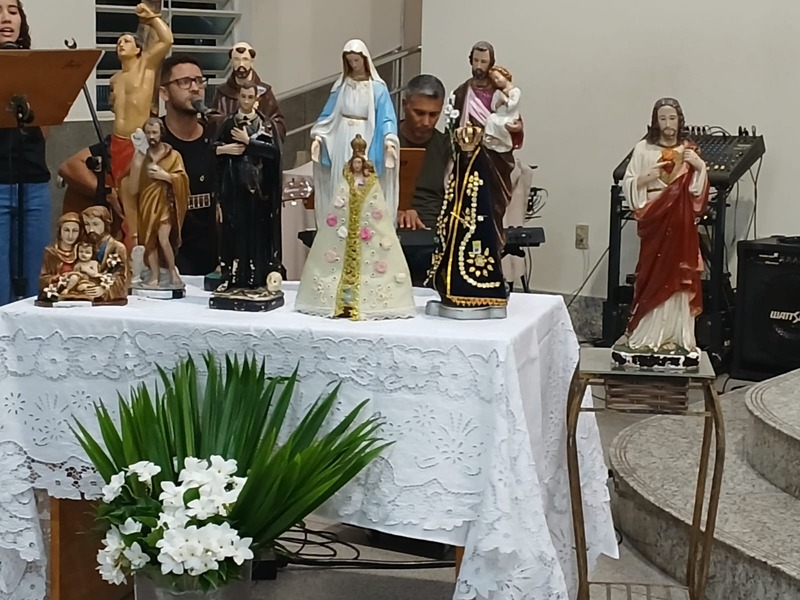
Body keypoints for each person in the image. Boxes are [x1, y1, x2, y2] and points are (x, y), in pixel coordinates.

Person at [617, 97, 709, 360]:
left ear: (680, 121)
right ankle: (647, 333)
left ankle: (676, 336)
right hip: (655, 217)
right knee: (651, 273)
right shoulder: (643, 149)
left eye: (672, 118)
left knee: (679, 276)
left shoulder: (689, 150)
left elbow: (696, 192)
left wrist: (700, 167)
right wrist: (650, 176)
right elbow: (629, 183)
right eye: (663, 118)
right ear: (655, 121)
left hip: (680, 224)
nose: (668, 123)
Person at [296, 134, 415, 320]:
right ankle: (338, 300)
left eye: (360, 163)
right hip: (346, 229)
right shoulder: (346, 181)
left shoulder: (370, 182)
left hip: (366, 229)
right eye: (355, 163)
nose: (357, 166)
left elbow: (375, 204)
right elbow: (339, 201)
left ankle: (368, 302)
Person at [309, 39, 400, 233]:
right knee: (341, 182)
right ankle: (339, 228)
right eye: (350, 61)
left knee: (363, 180)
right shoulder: (342, 86)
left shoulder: (377, 88)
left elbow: (386, 118)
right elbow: (328, 115)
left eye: (357, 60)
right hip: (342, 137)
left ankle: (365, 231)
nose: (354, 65)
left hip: (367, 136)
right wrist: (318, 138)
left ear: (365, 60)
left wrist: (389, 141)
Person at [213, 81, 283, 307]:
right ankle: (232, 278)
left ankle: (256, 278)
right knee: (232, 233)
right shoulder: (228, 123)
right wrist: (223, 149)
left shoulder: (266, 125)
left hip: (258, 189)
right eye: (242, 96)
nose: (245, 101)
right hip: (233, 188)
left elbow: (274, 152)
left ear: (256, 99)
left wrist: (249, 143)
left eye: (250, 97)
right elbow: (211, 149)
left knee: (256, 235)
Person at [109, 3, 173, 248]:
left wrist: (152, 18)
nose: (121, 44)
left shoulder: (146, 65)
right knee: (124, 196)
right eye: (118, 42)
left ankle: (144, 244)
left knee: (139, 191)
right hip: (117, 141)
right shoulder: (115, 79)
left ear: (138, 48)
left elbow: (166, 40)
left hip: (139, 141)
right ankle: (132, 243)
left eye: (126, 41)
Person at [0, 0, 51, 305]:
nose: (5, 18)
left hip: (33, 184)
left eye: (12, 10)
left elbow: (44, 129)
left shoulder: (36, 67)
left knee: (36, 284)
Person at [158, 54, 219, 276]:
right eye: (184, 82)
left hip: (211, 262)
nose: (195, 88)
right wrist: (115, 198)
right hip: (164, 263)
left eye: (199, 81)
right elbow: (71, 166)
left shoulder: (217, 136)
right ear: (164, 92)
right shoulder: (152, 137)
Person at [396, 74, 449, 285]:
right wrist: (397, 209)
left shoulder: (447, 147)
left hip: (434, 236)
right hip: (387, 232)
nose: (426, 122)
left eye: (434, 115)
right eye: (419, 113)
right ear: (404, 106)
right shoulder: (384, 141)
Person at [128, 118, 190, 288]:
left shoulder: (173, 155)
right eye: (148, 133)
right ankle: (154, 274)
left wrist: (166, 176)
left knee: (163, 238)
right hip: (147, 204)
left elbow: (183, 180)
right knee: (149, 241)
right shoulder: (141, 156)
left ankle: (172, 270)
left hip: (165, 204)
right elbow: (132, 188)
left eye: (154, 132)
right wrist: (138, 160)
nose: (151, 136)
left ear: (161, 133)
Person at [211, 41, 286, 142]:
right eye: (236, 59)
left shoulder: (264, 93)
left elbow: (278, 125)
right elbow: (213, 124)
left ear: (252, 62)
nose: (241, 64)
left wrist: (258, 120)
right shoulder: (223, 93)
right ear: (231, 62)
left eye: (245, 59)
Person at [483, 66, 521, 153]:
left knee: (502, 123)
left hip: (510, 116)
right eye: (494, 80)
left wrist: (504, 99)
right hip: (499, 115)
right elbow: (493, 107)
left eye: (497, 77)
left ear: (504, 75)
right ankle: (492, 138)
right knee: (491, 118)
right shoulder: (498, 92)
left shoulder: (515, 91)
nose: (496, 81)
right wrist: (498, 103)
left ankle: (505, 142)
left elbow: (511, 106)